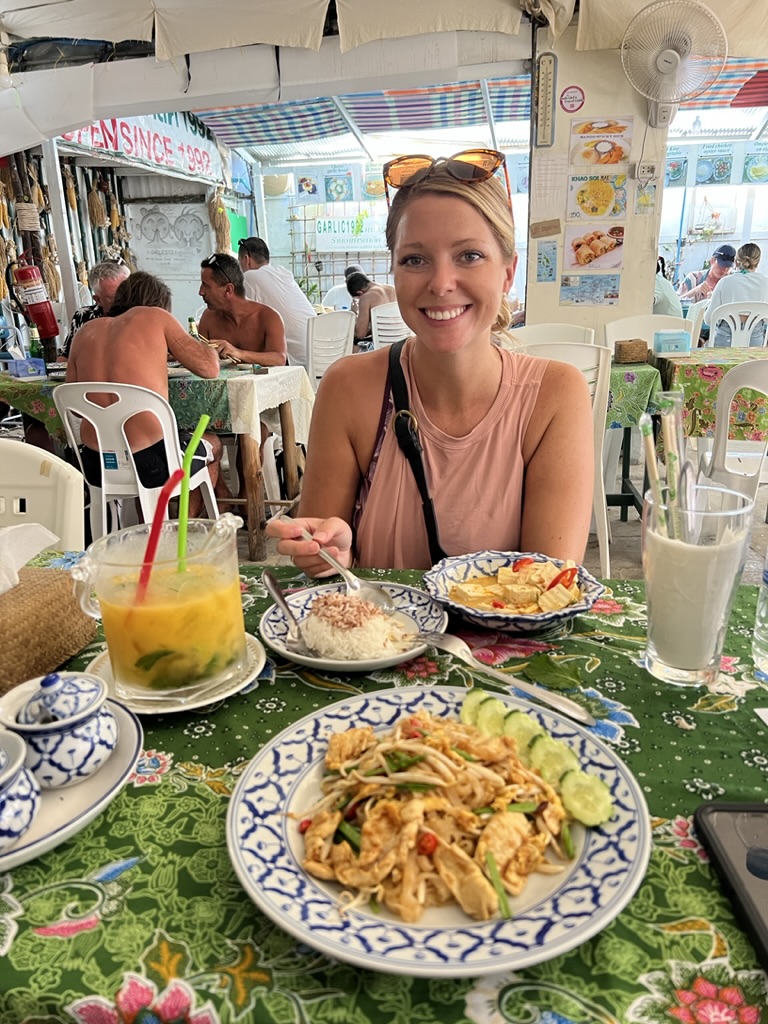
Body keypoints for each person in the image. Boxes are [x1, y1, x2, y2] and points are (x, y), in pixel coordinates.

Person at [267, 151, 593, 574]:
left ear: (508, 273)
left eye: (469, 255)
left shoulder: (555, 395)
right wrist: (334, 556)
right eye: (415, 260)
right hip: (378, 618)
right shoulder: (347, 387)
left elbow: (548, 584)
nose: (440, 284)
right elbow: (323, 565)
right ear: (394, 272)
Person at [66, 271, 228, 517]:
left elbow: (75, 404)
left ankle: (148, 528)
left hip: (96, 464)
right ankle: (185, 529)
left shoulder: (84, 331)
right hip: (153, 464)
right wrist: (210, 349)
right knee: (213, 444)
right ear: (159, 303)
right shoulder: (155, 317)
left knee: (154, 441)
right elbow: (209, 368)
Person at [237, 237, 315, 367]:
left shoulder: (250, 277)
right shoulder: (284, 273)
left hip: (294, 360)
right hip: (318, 355)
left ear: (246, 259)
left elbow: (245, 325)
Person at [197, 253, 287, 366]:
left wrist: (239, 353)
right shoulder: (208, 318)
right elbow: (202, 359)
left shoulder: (268, 317)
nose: (201, 292)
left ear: (228, 290)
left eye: (206, 286)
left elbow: (279, 359)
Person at [62, 259, 131, 357]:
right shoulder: (84, 316)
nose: (124, 300)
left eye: (126, 293)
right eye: (115, 297)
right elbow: (65, 356)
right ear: (98, 300)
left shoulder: (140, 315)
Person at [705, 243, 768, 347]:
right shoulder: (766, 283)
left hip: (725, 344)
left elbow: (708, 320)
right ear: (757, 262)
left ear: (736, 261)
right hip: (754, 345)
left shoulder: (724, 282)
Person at [345, 272, 398, 346]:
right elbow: (387, 325)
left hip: (381, 346)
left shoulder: (366, 297)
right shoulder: (393, 289)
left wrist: (354, 312)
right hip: (401, 343)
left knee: (349, 347)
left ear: (360, 293)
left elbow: (360, 334)